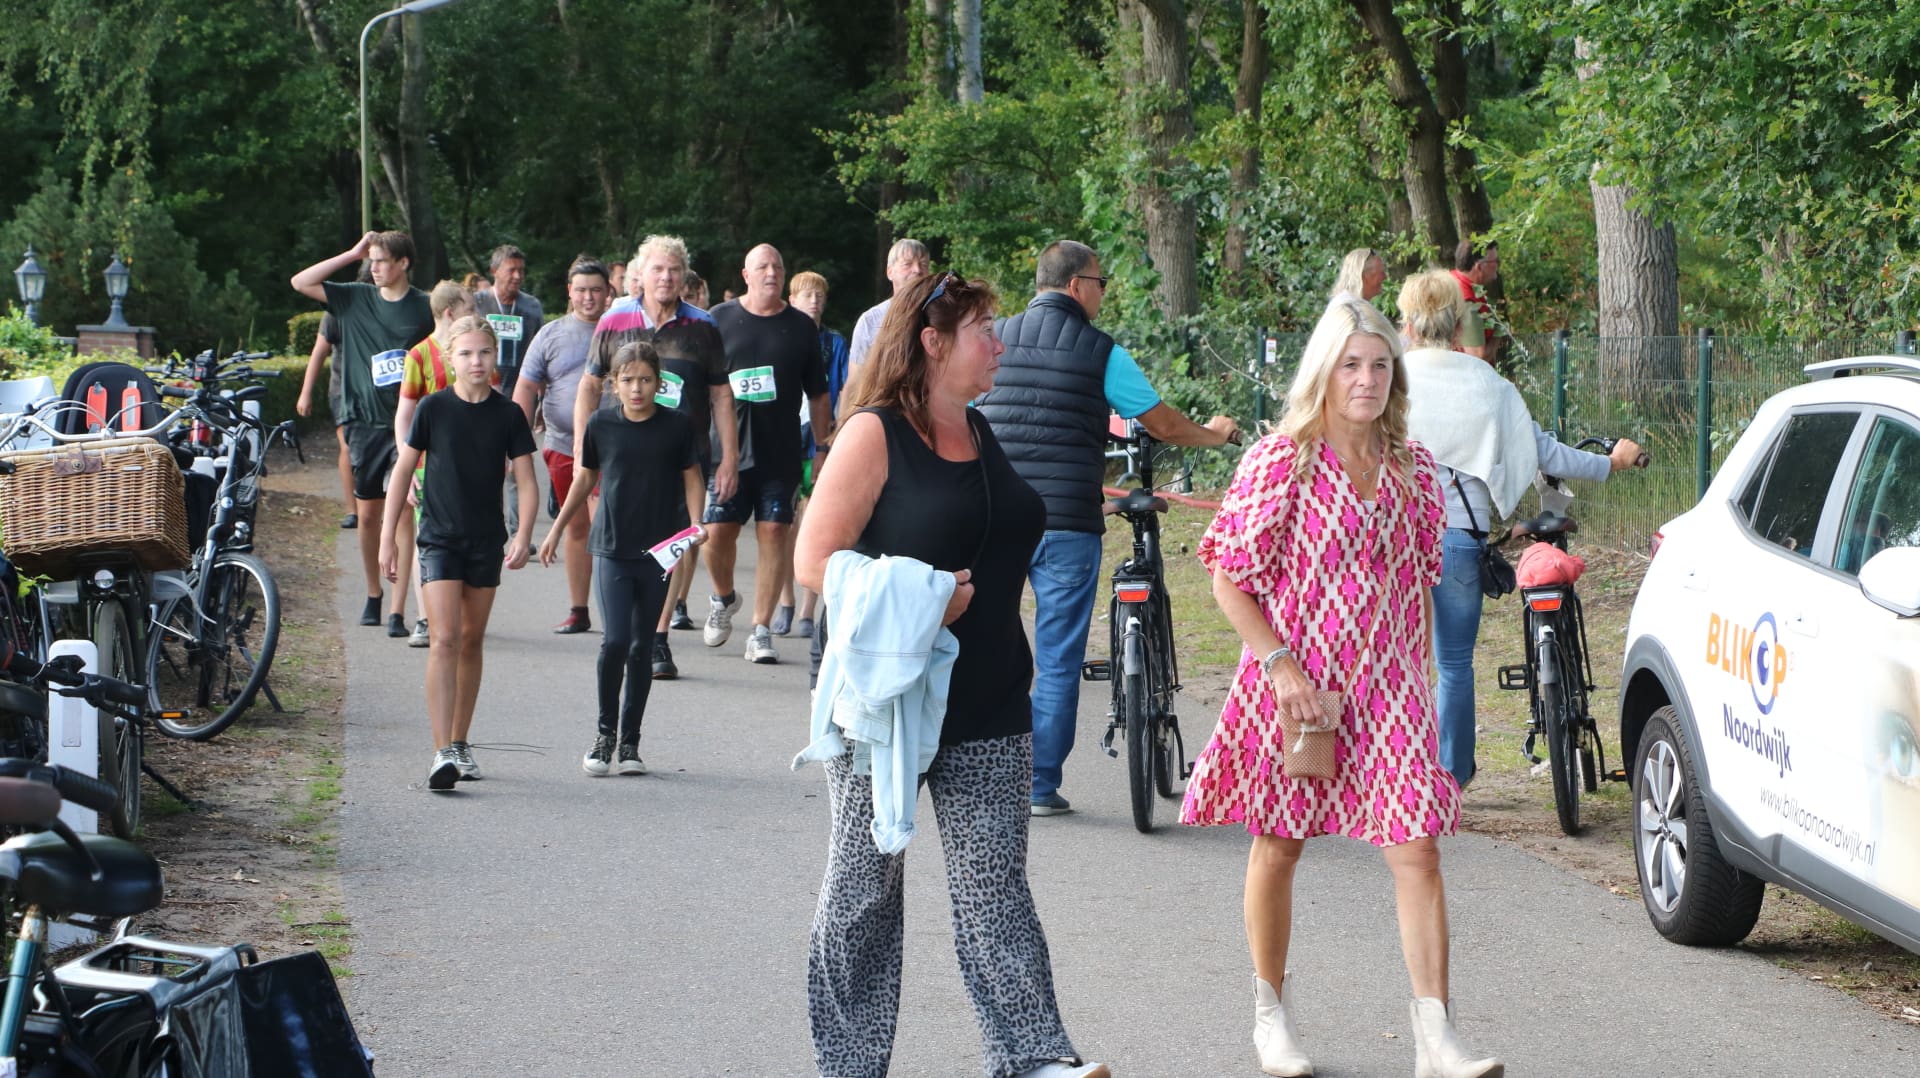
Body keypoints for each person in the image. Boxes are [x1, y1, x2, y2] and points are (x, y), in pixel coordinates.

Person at [793, 271, 1106, 1078]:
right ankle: (849, 1066)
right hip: (885, 704)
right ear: (932, 342)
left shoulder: (978, 427)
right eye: (984, 331)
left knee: (995, 894)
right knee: (863, 896)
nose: (999, 343)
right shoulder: (875, 433)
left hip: (991, 699)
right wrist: (922, 597)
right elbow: (815, 560)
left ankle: (1034, 1059)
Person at [1182, 298, 1502, 1078]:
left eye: (1380, 365)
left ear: (1397, 376)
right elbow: (1228, 578)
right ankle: (1271, 1018)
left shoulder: (1412, 467)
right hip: (1297, 685)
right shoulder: (1283, 460)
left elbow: (1417, 580)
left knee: (1417, 849)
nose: (1366, 379)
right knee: (1279, 842)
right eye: (1351, 364)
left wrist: (1415, 679)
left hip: (1389, 688)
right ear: (1324, 371)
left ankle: (1436, 1038)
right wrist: (1281, 666)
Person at [977, 239, 1239, 817]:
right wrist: (1215, 434)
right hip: (1066, 522)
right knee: (1057, 659)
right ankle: (1038, 785)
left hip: (996, 519)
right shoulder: (1101, 352)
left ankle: (976, 771)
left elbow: (966, 409)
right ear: (1076, 286)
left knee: (985, 644)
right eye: (1100, 283)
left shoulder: (993, 340)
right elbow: (1162, 424)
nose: (1103, 294)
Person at [1398, 270, 1644, 790]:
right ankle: (1452, 777)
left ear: (1409, 324)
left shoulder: (1389, 380)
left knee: (1397, 663)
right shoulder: (1489, 385)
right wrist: (1610, 463)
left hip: (1395, 539)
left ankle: (1398, 773)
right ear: (1459, 325)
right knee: (1454, 665)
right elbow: (1544, 453)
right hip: (1458, 539)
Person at [378, 316, 537, 790]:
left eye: (484, 352)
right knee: (444, 638)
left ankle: (461, 741)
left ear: (495, 357)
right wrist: (387, 537)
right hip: (438, 538)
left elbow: (527, 481)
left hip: (485, 540)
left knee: (470, 640)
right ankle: (441, 749)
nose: (476, 361)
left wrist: (523, 534)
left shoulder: (508, 414)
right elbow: (403, 471)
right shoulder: (433, 408)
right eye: (466, 353)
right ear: (450, 359)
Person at [576, 235, 738, 677]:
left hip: (683, 458)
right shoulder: (614, 320)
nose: (666, 277)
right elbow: (590, 384)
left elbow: (721, 395)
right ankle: (630, 626)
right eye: (658, 269)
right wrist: (582, 446)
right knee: (624, 541)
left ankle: (657, 636)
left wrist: (729, 457)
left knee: (675, 541)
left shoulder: (702, 325)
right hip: (622, 455)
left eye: (673, 270)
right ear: (640, 275)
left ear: (684, 277)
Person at [542, 341, 704, 775]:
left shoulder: (676, 426)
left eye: (645, 380)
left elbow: (693, 476)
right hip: (612, 546)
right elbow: (585, 479)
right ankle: (604, 737)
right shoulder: (601, 424)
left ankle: (630, 743)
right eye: (628, 380)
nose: (637, 389)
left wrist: (695, 525)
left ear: (658, 383)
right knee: (614, 641)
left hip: (658, 552)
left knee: (640, 646)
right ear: (614, 383)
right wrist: (556, 530)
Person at [292, 230, 435, 629]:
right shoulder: (354, 298)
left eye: (382, 261)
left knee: (403, 512)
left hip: (407, 425)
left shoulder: (423, 306)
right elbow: (300, 282)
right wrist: (352, 253)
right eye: (371, 261)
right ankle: (374, 592)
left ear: (403, 263)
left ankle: (398, 608)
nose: (374, 268)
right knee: (369, 516)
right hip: (363, 423)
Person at [701, 243, 832, 664]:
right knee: (716, 533)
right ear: (746, 275)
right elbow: (699, 384)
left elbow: (819, 394)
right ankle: (724, 598)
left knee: (775, 531)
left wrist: (823, 447)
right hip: (727, 451)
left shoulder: (800, 327)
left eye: (777, 266)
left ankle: (760, 630)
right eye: (762, 267)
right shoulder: (719, 319)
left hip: (781, 452)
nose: (771, 272)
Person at [514, 258, 614, 635]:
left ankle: (615, 611)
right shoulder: (550, 334)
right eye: (581, 290)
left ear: (608, 293)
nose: (588, 297)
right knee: (576, 526)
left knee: (607, 526)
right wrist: (516, 442)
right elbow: (526, 387)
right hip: (562, 445)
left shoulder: (621, 331)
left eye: (596, 290)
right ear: (569, 292)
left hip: (614, 447)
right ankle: (578, 609)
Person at [392, 280, 481, 646]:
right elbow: (404, 414)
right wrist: (407, 464)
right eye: (470, 308)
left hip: (473, 464)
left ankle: (459, 612)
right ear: (450, 312)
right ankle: (426, 618)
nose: (476, 314)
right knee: (427, 539)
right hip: (430, 465)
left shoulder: (476, 352)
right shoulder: (419, 356)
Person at [775, 269, 850, 639]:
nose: (815, 301)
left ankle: (807, 607)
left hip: (822, 440)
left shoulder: (834, 343)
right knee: (782, 524)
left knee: (814, 523)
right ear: (792, 299)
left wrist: (836, 435)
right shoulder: (780, 334)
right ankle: (785, 600)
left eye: (820, 295)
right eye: (807, 294)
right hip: (784, 438)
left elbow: (845, 387)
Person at [474, 244, 545, 539]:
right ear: (494, 271)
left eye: (521, 270)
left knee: (518, 465)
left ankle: (518, 533)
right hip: (480, 397)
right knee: (482, 464)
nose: (517, 276)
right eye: (511, 270)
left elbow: (541, 354)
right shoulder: (477, 303)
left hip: (520, 397)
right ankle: (484, 526)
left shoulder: (532, 307)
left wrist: (542, 399)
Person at [305, 312, 357, 528]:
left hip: (377, 392)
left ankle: (377, 506)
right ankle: (352, 510)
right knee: (347, 446)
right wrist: (306, 393)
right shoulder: (337, 312)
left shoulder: (384, 306)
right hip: (343, 391)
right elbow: (319, 351)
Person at [848, 238, 929, 368]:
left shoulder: (942, 316)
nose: (917, 270)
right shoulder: (870, 321)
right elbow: (856, 378)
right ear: (890, 272)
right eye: (907, 264)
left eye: (923, 264)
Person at [1449, 241, 1503, 363]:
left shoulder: (1451, 280)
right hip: (1465, 372)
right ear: (1479, 267)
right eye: (1496, 261)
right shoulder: (1467, 301)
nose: (1498, 265)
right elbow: (1478, 357)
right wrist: (1499, 332)